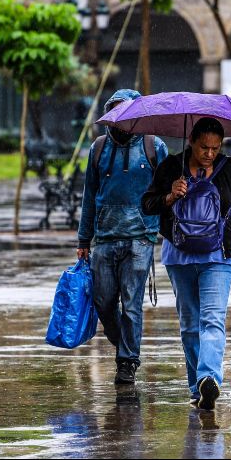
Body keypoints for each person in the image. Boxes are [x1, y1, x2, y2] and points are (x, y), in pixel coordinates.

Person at [141, 117, 231, 410]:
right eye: (204, 147)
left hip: (218, 256)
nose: (209, 153)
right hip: (179, 256)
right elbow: (147, 204)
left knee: (212, 320)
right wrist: (170, 195)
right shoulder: (170, 167)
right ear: (191, 141)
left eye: (215, 148)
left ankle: (209, 379)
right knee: (190, 325)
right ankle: (198, 390)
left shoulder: (229, 169)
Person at [77, 89, 169, 384]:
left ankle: (128, 361)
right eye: (115, 112)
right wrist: (83, 239)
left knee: (131, 303)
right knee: (103, 302)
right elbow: (89, 196)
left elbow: (166, 193)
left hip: (140, 239)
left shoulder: (154, 147)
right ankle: (124, 343)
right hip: (104, 239)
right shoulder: (99, 148)